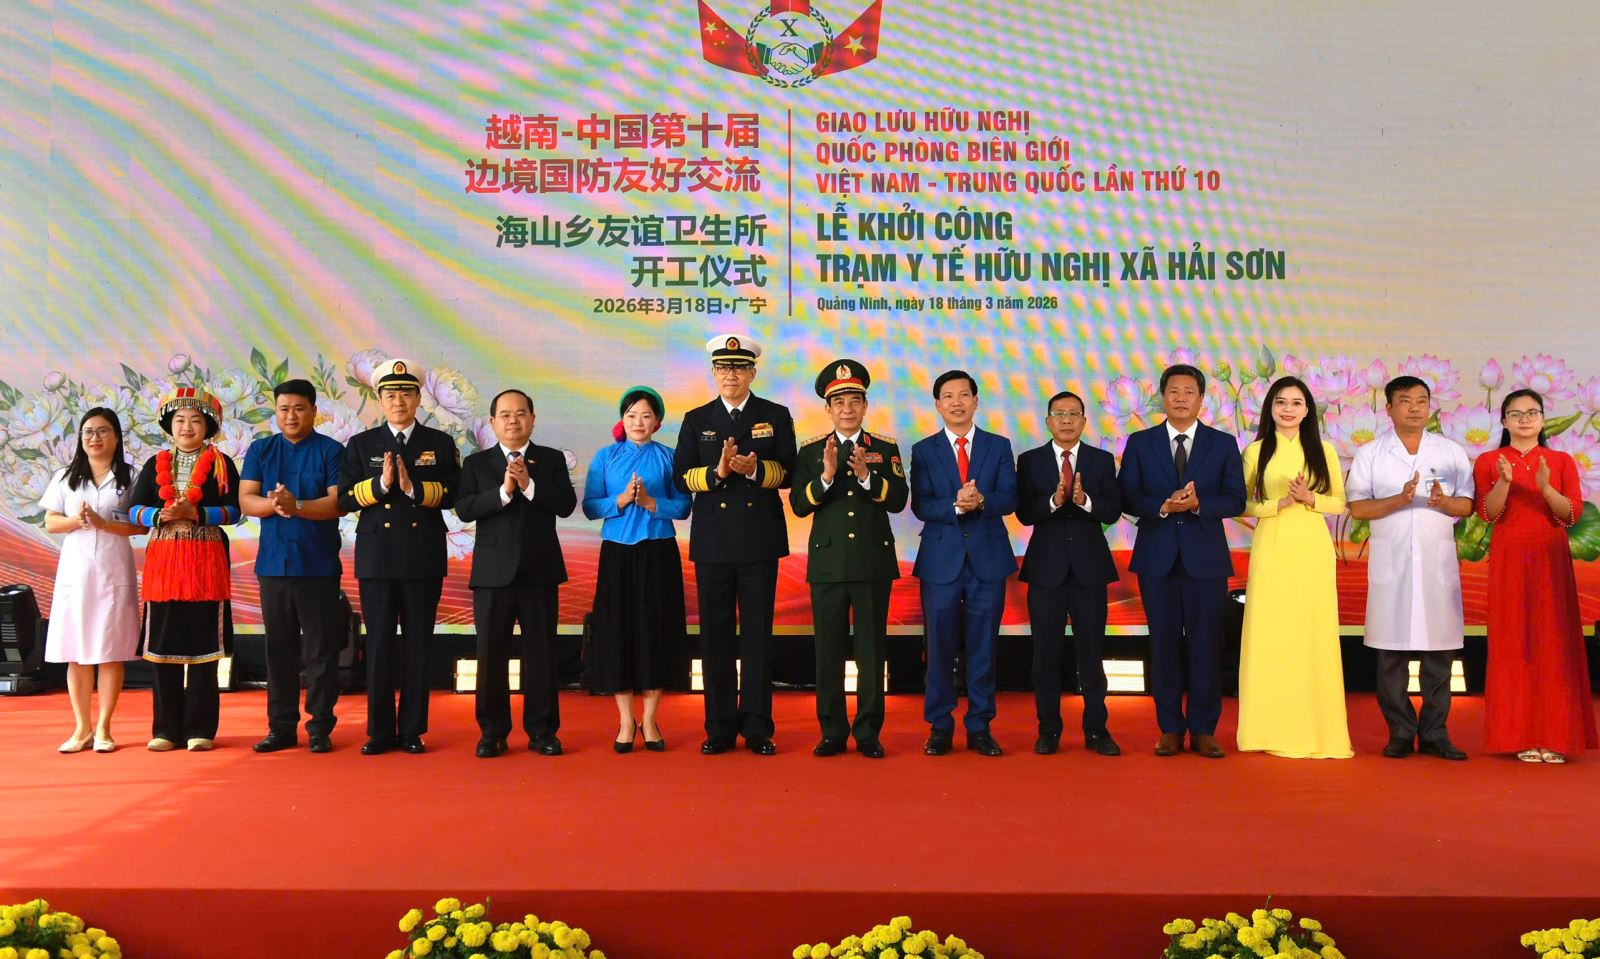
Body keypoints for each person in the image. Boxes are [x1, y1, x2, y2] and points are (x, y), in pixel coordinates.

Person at [673, 333, 796, 756]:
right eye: (723, 368)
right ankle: (719, 726)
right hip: (713, 543)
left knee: (758, 636)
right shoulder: (696, 418)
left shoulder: (775, 415)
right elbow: (681, 477)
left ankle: (758, 726)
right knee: (716, 637)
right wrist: (720, 471)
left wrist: (756, 469)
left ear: (752, 373)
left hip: (759, 541)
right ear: (713, 373)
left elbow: (790, 471)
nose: (731, 375)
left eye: (739, 368)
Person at [1117, 364, 1246, 759]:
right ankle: (1170, 728)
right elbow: (1127, 495)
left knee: (1207, 646)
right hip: (1157, 559)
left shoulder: (1222, 444)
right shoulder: (1141, 442)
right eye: (1173, 391)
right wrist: (1161, 505)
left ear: (1201, 398)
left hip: (1204, 560)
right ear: (1163, 396)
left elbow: (1236, 498)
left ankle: (1204, 729)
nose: (1181, 398)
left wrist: (1199, 504)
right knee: (1164, 646)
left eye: (1189, 392)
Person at [1346, 375, 1474, 760]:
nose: (1415, 407)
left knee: (1440, 653)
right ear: (1389, 409)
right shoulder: (1370, 453)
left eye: (1421, 400)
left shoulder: (1451, 451)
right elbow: (1358, 507)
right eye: (1405, 401)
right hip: (1393, 562)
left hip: (1436, 563)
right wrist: (1398, 500)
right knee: (1391, 653)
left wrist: (1443, 502)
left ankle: (1435, 733)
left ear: (1430, 406)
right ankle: (1400, 732)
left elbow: (1466, 504)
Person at [338, 358, 461, 755]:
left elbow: (454, 494)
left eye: (406, 393)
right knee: (378, 646)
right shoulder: (362, 444)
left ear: (418, 397)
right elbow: (343, 498)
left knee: (417, 645)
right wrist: (381, 484)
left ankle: (412, 729)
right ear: (379, 399)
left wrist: (412, 489)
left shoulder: (440, 443)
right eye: (390, 394)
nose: (398, 401)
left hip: (422, 554)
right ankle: (379, 731)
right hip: (378, 556)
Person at [790, 360, 908, 759]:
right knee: (828, 651)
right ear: (828, 408)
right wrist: (825, 476)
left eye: (854, 400)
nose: (846, 408)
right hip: (827, 564)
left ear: (865, 405)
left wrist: (866, 478)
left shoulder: (884, 448)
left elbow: (898, 500)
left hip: (872, 562)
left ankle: (869, 732)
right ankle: (832, 731)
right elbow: (799, 505)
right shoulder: (810, 451)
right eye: (838, 401)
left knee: (871, 653)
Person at [1474, 388, 1598, 763]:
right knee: (1515, 640)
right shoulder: (1489, 460)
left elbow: (1570, 515)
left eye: (1532, 412)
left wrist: (1545, 487)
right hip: (1510, 558)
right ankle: (1522, 735)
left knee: (1553, 641)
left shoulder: (1560, 461)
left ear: (1543, 419)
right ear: (1503, 420)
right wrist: (1505, 482)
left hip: (1550, 558)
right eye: (1516, 413)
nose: (1525, 419)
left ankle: (1556, 736)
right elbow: (1488, 514)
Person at [1235, 377, 1353, 759]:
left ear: (1307, 410)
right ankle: (1266, 729)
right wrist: (1278, 505)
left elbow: (1339, 503)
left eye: (1297, 403)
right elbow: (1240, 504)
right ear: (1270, 408)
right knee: (1271, 632)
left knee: (1311, 631)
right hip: (1271, 542)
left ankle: (1317, 729)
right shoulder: (1255, 451)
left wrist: (1309, 498)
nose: (1288, 409)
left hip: (1312, 547)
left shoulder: (1324, 450)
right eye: (1281, 402)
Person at [455, 388, 576, 758]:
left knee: (541, 654)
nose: (513, 420)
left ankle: (542, 731)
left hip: (539, 571)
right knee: (491, 655)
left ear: (533, 418)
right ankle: (492, 732)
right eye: (504, 415)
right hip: (493, 574)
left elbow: (566, 505)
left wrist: (529, 485)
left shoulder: (551, 460)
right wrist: (505, 492)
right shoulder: (477, 464)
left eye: (520, 413)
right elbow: (464, 508)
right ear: (492, 422)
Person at [125, 388, 242, 752]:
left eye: (195, 420)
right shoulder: (154, 464)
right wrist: (159, 515)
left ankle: (200, 729)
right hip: (165, 564)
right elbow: (132, 511)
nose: (187, 426)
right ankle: (165, 729)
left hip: (206, 563)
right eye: (179, 420)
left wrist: (198, 514)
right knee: (163, 649)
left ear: (207, 426)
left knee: (205, 649)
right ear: (169, 426)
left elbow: (236, 512)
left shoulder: (222, 464)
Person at [910, 369, 1018, 757]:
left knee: (983, 647)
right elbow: (921, 504)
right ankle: (939, 726)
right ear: (937, 404)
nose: (956, 402)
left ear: (976, 401)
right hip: (941, 561)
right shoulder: (924, 450)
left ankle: (980, 726)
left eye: (963, 395)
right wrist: (957, 505)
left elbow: (1010, 497)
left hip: (987, 560)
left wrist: (983, 501)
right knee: (937, 648)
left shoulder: (999, 445)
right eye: (948, 396)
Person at [239, 380, 347, 754]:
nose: (290, 415)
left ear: (314, 410)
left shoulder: (331, 451)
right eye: (283, 408)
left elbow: (336, 505)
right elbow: (246, 500)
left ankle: (320, 726)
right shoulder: (261, 450)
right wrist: (278, 505)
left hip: (318, 566)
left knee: (321, 652)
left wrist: (296, 505)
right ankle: (281, 726)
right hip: (273, 567)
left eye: (299, 408)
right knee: (279, 651)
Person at [582, 386, 692, 754]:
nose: (638, 422)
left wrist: (649, 502)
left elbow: (683, 508)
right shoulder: (605, 457)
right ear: (622, 420)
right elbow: (590, 507)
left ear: (657, 422)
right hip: (616, 555)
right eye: (630, 416)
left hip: (658, 551)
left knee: (655, 631)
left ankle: (650, 718)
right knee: (618, 632)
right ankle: (626, 720)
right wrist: (622, 500)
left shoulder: (669, 457)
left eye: (645, 416)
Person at [1016, 390, 1123, 756]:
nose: (1066, 420)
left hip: (1089, 570)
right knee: (1044, 655)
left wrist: (1083, 502)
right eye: (1058, 414)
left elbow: (1111, 510)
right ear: (1047, 421)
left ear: (1083, 421)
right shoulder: (1029, 461)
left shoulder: (1101, 460)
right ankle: (1049, 730)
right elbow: (1025, 513)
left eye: (1073, 414)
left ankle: (1096, 730)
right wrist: (1054, 502)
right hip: (1046, 570)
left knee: (1091, 654)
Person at [40, 408, 141, 753]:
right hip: (76, 571)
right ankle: (81, 728)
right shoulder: (66, 476)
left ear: (116, 436)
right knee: (77, 652)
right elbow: (51, 523)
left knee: (110, 651)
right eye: (88, 433)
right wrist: (77, 520)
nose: (94, 439)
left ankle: (104, 729)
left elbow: (140, 526)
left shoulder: (131, 476)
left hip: (113, 569)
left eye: (102, 431)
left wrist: (103, 523)